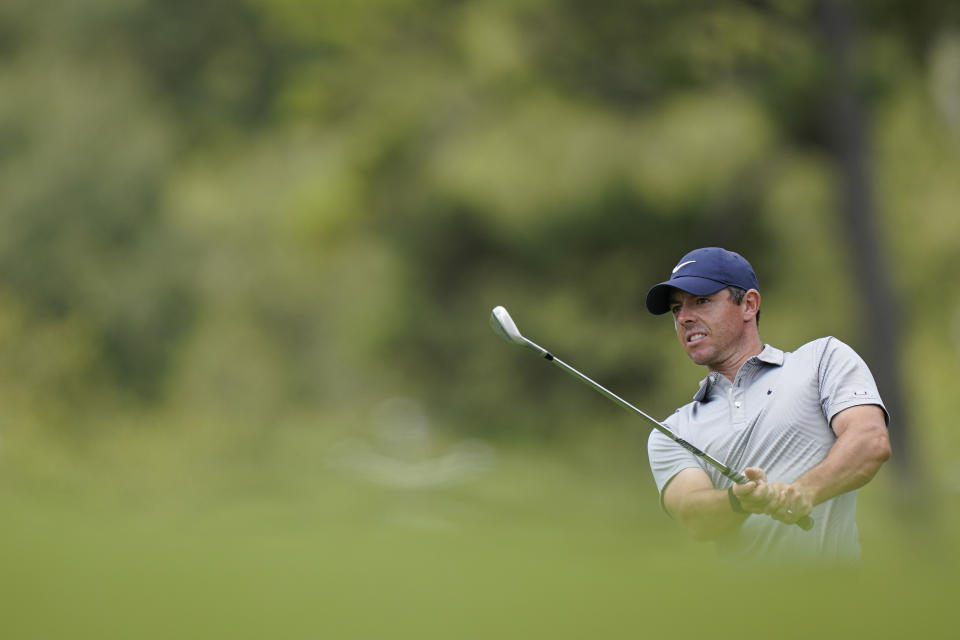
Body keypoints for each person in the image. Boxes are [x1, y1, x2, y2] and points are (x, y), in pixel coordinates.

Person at [644, 247, 891, 562]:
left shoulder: (822, 361)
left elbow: (871, 441)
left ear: (749, 304)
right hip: (744, 609)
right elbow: (695, 517)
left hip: (837, 599)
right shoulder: (673, 430)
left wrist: (804, 491)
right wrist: (738, 500)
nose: (684, 317)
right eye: (676, 308)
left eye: (701, 301)